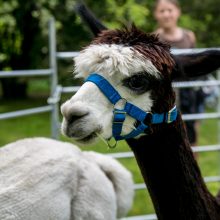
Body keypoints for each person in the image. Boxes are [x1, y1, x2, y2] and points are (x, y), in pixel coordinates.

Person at [153, 0, 206, 148]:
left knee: (191, 133)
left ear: (177, 12)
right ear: (156, 14)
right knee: (166, 136)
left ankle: (193, 167)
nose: (166, 14)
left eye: (170, 10)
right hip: (166, 94)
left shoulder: (189, 36)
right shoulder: (154, 38)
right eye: (162, 11)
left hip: (189, 93)